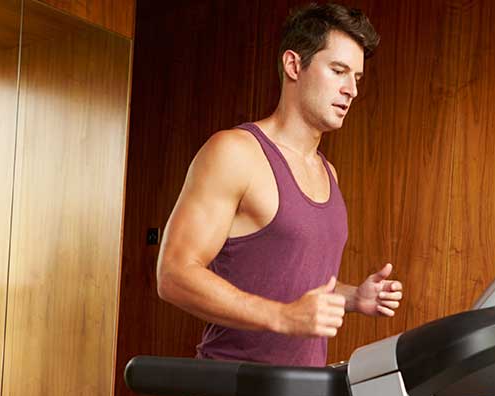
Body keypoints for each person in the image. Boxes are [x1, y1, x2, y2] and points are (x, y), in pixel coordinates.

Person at [156, 2, 401, 376]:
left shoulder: (327, 172)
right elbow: (173, 275)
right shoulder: (235, 152)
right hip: (230, 390)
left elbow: (289, 284)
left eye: (357, 78)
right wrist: (282, 317)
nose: (351, 89)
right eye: (338, 71)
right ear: (293, 65)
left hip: (301, 390)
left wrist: (353, 297)